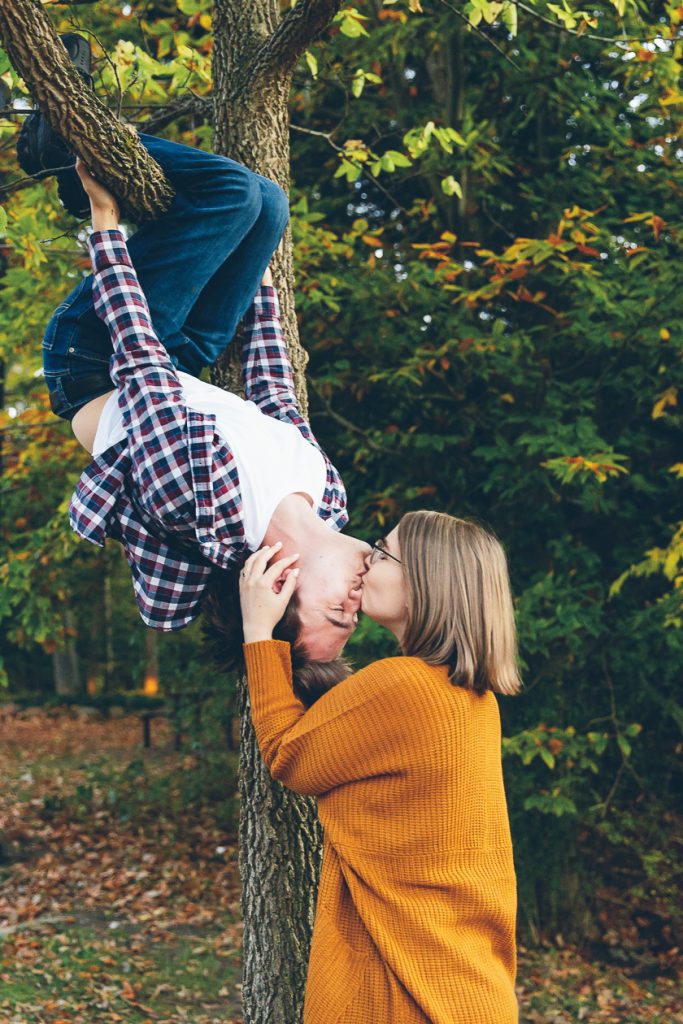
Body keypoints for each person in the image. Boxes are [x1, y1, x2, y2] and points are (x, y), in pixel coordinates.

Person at [30, 79, 369, 670]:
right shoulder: (330, 500)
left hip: (97, 357)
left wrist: (105, 231)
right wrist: (257, 281)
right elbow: (274, 395)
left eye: (337, 614)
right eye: (354, 620)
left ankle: (66, 150)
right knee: (269, 206)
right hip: (178, 356)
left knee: (232, 196)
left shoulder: (204, 508)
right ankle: (78, 148)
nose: (357, 606)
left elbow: (139, 365)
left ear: (278, 585)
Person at [238, 510, 522, 1024]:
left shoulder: (403, 686)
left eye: (384, 552)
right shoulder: (473, 700)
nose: (367, 559)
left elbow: (288, 754)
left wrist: (259, 631)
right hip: (467, 987)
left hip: (403, 988)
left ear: (426, 585)